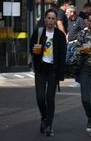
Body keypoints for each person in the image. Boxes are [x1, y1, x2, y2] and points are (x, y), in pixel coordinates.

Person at [30, 8, 67, 137]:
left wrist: (61, 75)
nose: (50, 21)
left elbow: (63, 56)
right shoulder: (38, 32)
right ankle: (44, 117)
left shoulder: (60, 36)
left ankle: (49, 125)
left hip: (53, 70)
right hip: (41, 69)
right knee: (40, 98)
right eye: (48, 18)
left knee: (50, 98)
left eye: (53, 18)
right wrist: (35, 52)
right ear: (45, 19)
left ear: (55, 20)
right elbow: (31, 48)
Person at [66, 5, 86, 88]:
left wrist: (80, 41)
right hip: (69, 44)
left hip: (76, 44)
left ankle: (78, 81)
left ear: (72, 12)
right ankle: (76, 78)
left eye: (67, 12)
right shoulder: (69, 21)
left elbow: (84, 31)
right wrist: (67, 36)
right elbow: (69, 31)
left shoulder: (80, 20)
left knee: (76, 62)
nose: (65, 14)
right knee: (68, 61)